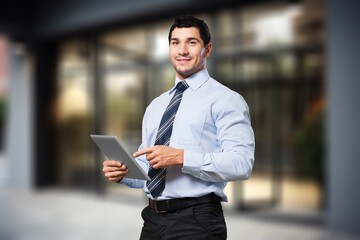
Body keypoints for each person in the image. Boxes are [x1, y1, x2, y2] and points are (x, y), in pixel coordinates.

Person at [102, 15, 255, 240]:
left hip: (197, 221)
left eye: (191, 42)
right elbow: (149, 168)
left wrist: (182, 157)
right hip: (152, 220)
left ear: (208, 49)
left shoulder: (226, 99)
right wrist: (124, 173)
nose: (182, 50)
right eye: (175, 42)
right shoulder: (156, 106)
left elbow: (242, 163)